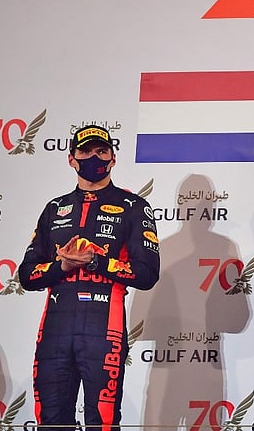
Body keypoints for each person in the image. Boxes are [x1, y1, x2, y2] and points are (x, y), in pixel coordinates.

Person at [19, 124, 160, 431]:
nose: (94, 157)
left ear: (113, 159)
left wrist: (97, 262)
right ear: (71, 159)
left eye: (102, 151)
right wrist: (62, 267)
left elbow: (148, 273)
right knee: (52, 423)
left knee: (103, 424)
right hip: (55, 329)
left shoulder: (133, 207)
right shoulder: (54, 209)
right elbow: (27, 275)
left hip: (103, 329)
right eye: (85, 152)